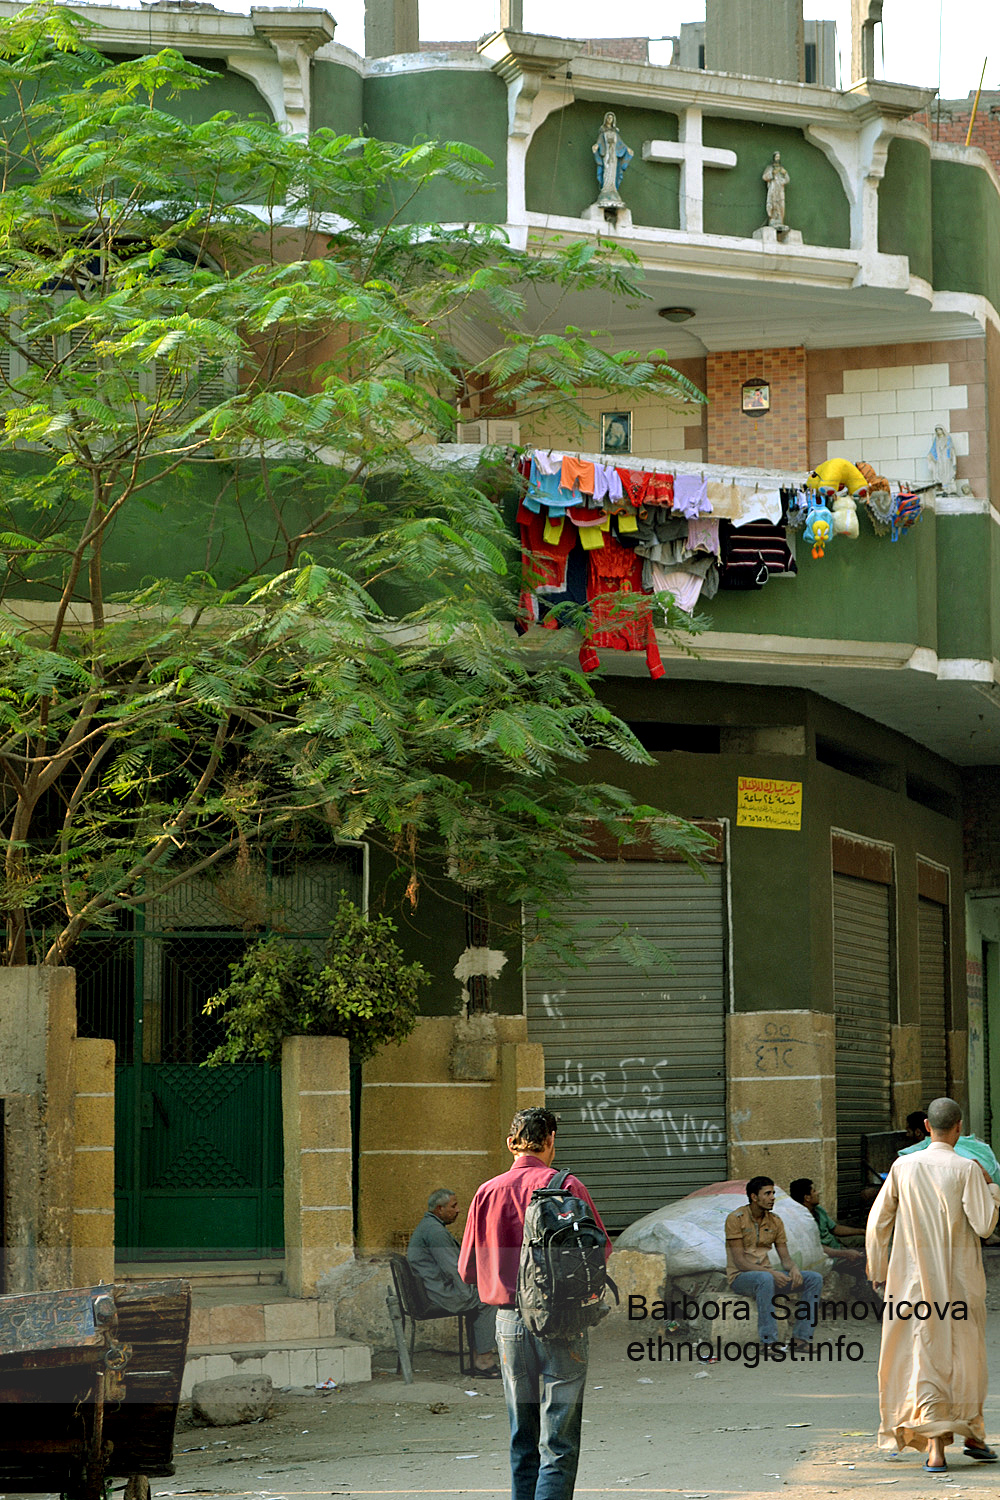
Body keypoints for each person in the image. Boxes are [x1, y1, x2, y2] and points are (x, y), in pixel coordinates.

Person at [458, 1106, 610, 1500]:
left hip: (509, 1324)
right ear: (552, 1141)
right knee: (559, 1440)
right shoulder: (568, 1187)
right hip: (562, 1322)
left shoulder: (487, 1192)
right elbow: (600, 1251)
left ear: (511, 1143)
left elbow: (467, 1270)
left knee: (521, 1436)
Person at [867, 1096, 1000, 1474]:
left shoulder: (902, 1166)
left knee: (922, 1355)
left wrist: (876, 1267)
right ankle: (972, 1433)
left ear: (927, 1127)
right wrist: (992, 1189)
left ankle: (936, 1449)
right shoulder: (968, 1168)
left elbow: (879, 1222)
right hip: (959, 1283)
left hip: (910, 1281)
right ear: (958, 1127)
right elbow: (985, 1225)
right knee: (962, 1358)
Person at [407, 1188, 499, 1376]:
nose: (458, 1210)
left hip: (431, 1290)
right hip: (436, 1294)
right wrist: (469, 1293)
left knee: (480, 1297)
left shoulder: (430, 1226)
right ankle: (483, 1360)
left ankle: (478, 1357)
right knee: (489, 1300)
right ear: (439, 1209)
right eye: (453, 1206)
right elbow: (453, 1269)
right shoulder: (435, 1231)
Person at [725, 1175, 823, 1352]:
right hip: (741, 1278)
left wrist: (794, 1269)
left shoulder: (775, 1221)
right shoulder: (736, 1219)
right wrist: (772, 1274)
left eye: (773, 1193)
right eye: (767, 1193)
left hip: (767, 1277)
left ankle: (801, 1339)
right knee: (765, 1278)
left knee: (814, 1278)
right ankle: (769, 1342)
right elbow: (740, 1262)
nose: (772, 1198)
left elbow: (785, 1259)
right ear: (754, 1197)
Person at [789, 1177, 873, 1299]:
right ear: (807, 1197)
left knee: (870, 1243)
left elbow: (835, 1229)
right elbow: (817, 1248)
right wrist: (844, 1253)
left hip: (836, 1245)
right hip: (827, 1257)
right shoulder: (799, 1220)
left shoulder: (818, 1210)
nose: (818, 1193)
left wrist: (862, 1232)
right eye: (814, 1191)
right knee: (865, 1261)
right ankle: (871, 1294)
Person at [899, 1107, 1000, 1182]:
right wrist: (991, 1186)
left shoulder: (904, 1161)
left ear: (926, 1126)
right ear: (958, 1127)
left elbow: (887, 1205)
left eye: (908, 1131)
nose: (906, 1135)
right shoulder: (978, 1149)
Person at [592, 111, 633, 207]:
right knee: (606, 170)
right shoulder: (603, 132)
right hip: (606, 154)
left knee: (613, 171)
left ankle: (612, 188)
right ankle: (605, 188)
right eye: (608, 118)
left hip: (614, 154)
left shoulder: (615, 132)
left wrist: (627, 149)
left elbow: (621, 144)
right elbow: (599, 142)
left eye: (611, 118)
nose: (609, 120)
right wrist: (596, 146)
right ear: (606, 119)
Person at [762, 151, 790, 228]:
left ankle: (780, 220)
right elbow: (764, 177)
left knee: (781, 204)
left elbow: (787, 179)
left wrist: (784, 175)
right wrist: (772, 173)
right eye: (776, 157)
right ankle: (772, 219)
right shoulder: (770, 168)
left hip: (780, 189)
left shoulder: (782, 169)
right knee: (772, 203)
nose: (778, 158)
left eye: (779, 157)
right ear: (774, 158)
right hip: (773, 187)